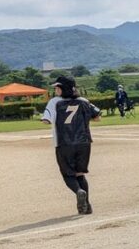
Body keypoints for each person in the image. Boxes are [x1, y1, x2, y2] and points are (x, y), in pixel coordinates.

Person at [42, 75, 101, 215]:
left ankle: (78, 191)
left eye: (58, 87)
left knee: (68, 174)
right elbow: (97, 117)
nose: (56, 90)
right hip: (84, 142)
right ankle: (86, 206)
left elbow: (46, 120)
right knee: (80, 174)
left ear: (65, 88)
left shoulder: (54, 102)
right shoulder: (83, 101)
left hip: (64, 143)